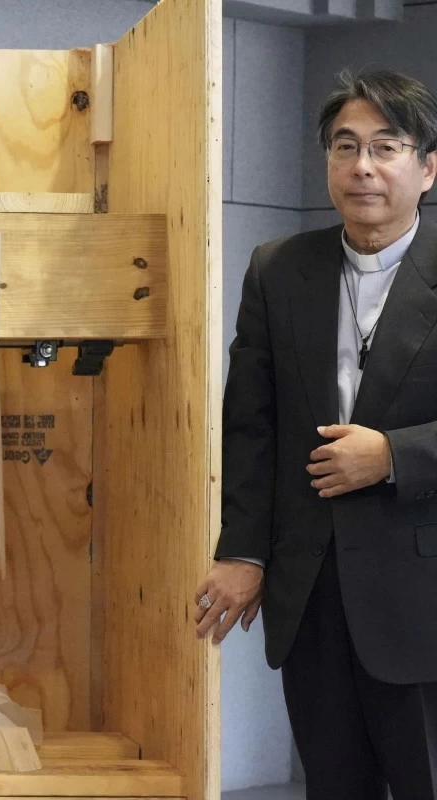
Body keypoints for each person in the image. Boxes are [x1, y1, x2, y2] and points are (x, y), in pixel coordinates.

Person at [195, 67, 437, 799]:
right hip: (310, 588)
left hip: (422, 591)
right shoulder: (279, 269)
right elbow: (252, 425)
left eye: (386, 147)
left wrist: (394, 455)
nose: (362, 166)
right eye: (345, 146)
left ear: (427, 168)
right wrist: (241, 549)